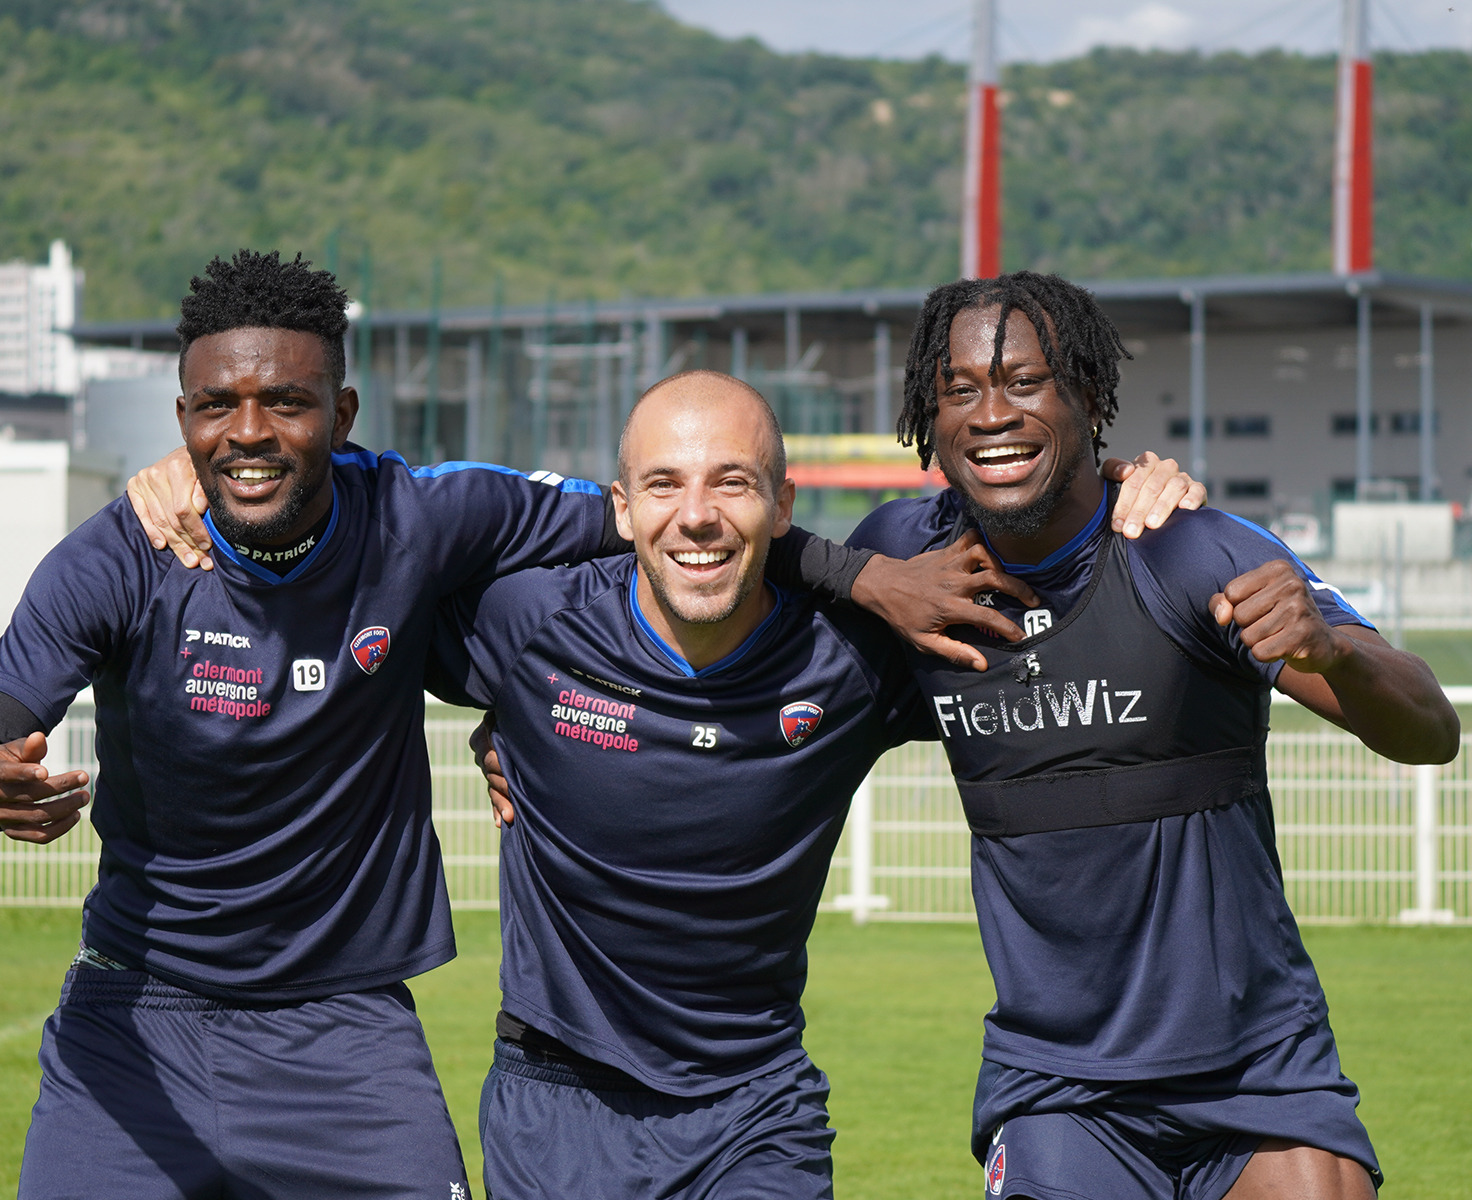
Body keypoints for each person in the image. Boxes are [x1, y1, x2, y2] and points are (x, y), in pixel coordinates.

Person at [0, 249, 657, 1199]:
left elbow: (667, 525)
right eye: (217, 405)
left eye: (287, 404)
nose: (249, 433)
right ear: (182, 418)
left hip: (349, 1038)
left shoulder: (418, 515)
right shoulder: (118, 559)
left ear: (342, 416)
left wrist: (850, 576)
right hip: (136, 1016)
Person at [430, 369, 1206, 1200]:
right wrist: (507, 725)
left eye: (733, 482)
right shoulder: (527, 621)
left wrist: (1122, 491)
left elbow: (1040, 560)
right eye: (665, 484)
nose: (697, 515)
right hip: (556, 1107)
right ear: (621, 509)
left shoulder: (851, 655)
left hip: (755, 1114)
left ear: (784, 505)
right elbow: (358, 594)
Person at [842, 271, 1460, 1200]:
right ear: (928, 420)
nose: (991, 413)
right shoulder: (904, 559)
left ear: (1088, 394)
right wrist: (855, 577)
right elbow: (738, 601)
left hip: (1259, 1070)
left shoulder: (1186, 546)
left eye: (1025, 381)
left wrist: (1336, 652)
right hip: (1060, 1088)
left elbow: (1430, 730)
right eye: (960, 389)